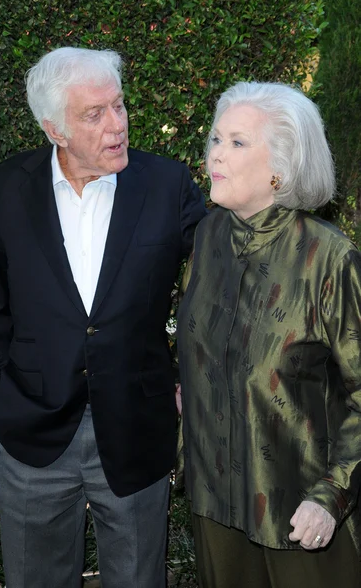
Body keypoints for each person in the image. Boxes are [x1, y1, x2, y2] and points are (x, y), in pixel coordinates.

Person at [0, 46, 205, 588]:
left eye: (119, 106)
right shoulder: (5, 188)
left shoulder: (167, 184)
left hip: (135, 427)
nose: (117, 125)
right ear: (55, 129)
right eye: (94, 114)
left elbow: (222, 279)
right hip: (30, 429)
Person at [176, 81, 361, 588]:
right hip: (214, 504)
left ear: (281, 168)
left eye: (237, 142)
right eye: (215, 139)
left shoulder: (329, 258)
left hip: (301, 518)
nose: (216, 153)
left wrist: (331, 497)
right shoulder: (208, 236)